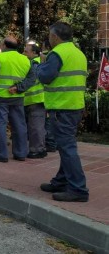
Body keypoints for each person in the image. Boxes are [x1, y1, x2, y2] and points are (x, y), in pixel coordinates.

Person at [37, 22, 89, 202]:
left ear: (55, 37)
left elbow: (45, 76)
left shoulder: (57, 53)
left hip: (62, 106)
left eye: (50, 36)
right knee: (65, 145)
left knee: (67, 147)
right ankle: (61, 180)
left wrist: (39, 65)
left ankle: (78, 189)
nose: (49, 39)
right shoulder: (78, 53)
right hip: (74, 105)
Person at [0, 36, 34, 163]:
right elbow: (32, 79)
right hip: (18, 97)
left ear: (4, 45)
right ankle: (20, 153)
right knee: (19, 126)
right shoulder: (25, 59)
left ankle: (1, 154)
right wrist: (18, 88)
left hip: (0, 97)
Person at [23, 42, 47, 159]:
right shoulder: (35, 62)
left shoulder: (35, 63)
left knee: (35, 126)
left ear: (34, 52)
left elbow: (31, 80)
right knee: (37, 126)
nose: (23, 53)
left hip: (35, 99)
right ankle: (41, 148)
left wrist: (18, 88)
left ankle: (36, 150)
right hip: (35, 99)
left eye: (26, 51)